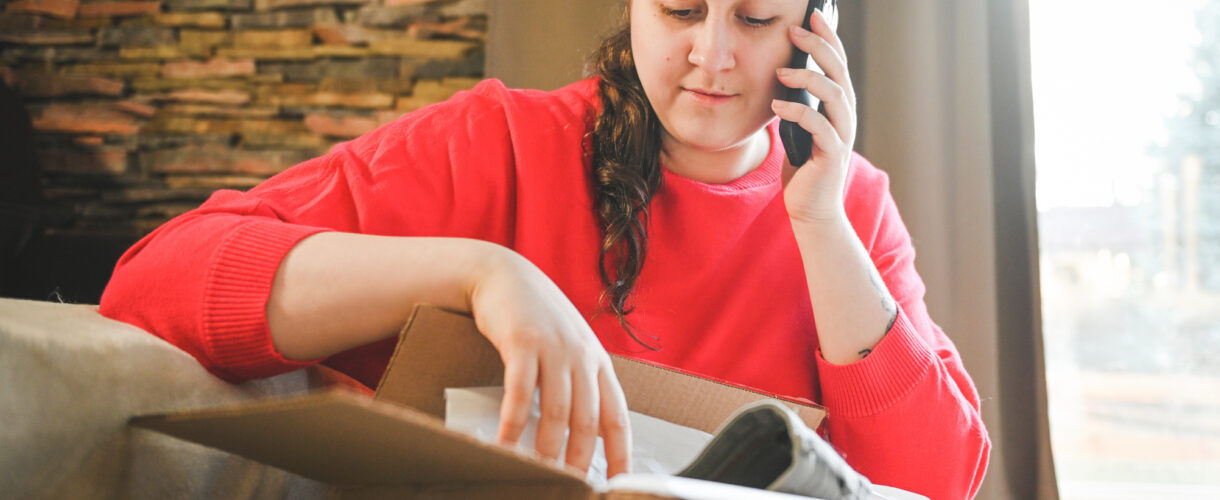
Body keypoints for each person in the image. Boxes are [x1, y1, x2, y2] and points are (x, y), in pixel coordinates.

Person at [100, 1, 991, 498]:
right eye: (680, 8)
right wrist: (479, 271)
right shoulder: (500, 142)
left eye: (755, 19)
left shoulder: (849, 205)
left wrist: (822, 225)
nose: (712, 55)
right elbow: (159, 278)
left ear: (817, 29)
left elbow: (936, 484)